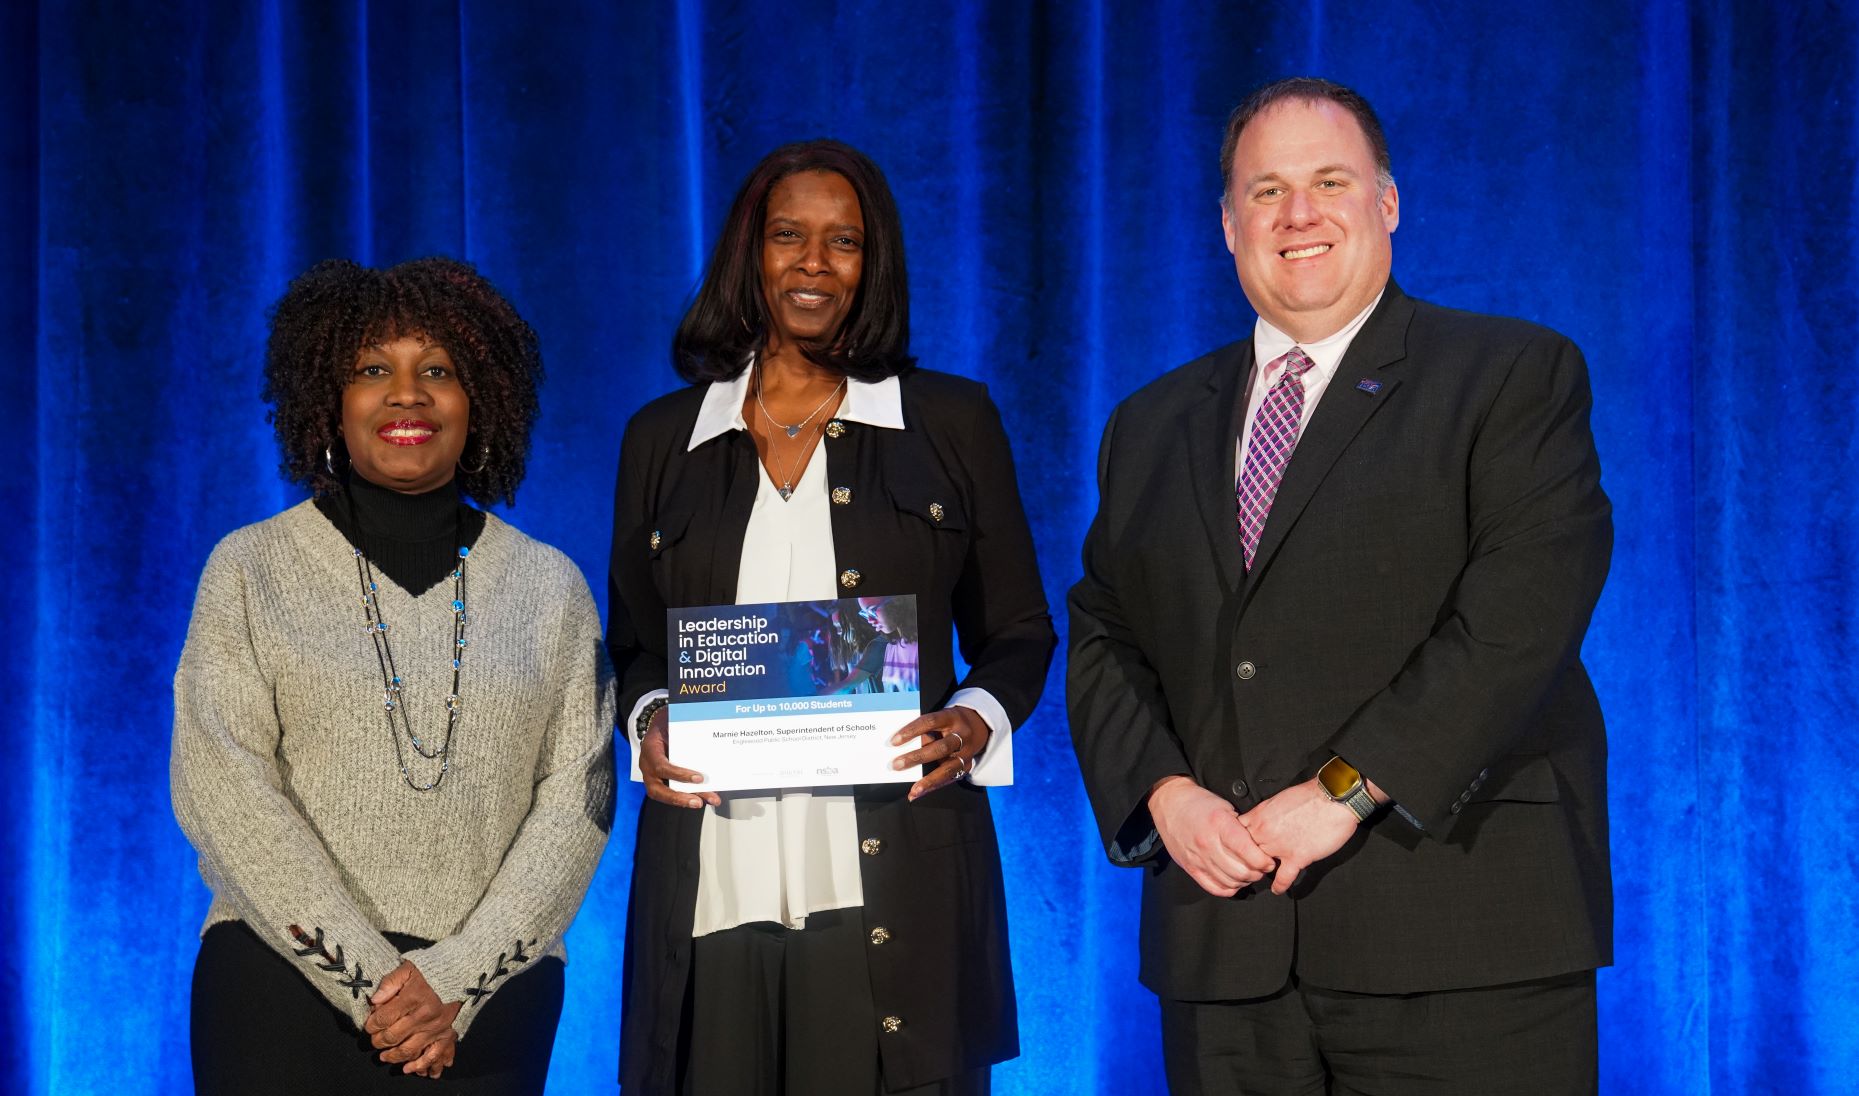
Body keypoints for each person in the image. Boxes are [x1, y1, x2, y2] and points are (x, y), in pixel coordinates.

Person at [1067, 78, 1613, 1094]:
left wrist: (1345, 789)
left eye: (1329, 182)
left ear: (1386, 202)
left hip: (1456, 935)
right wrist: (1161, 793)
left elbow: (1520, 616)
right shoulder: (1148, 423)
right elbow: (1104, 631)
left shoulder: (1509, 374)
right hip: (1225, 952)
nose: (1297, 214)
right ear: (1228, 225)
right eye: (1265, 191)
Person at [609, 139, 1054, 1095]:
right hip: (714, 880)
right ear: (749, 252)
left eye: (843, 241)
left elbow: (1018, 630)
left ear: (872, 262)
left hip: (893, 881)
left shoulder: (949, 422)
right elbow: (636, 647)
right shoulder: (662, 440)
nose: (813, 263)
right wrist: (650, 723)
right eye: (788, 236)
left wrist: (974, 719)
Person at [171, 257, 616, 1094]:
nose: (406, 395)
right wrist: (374, 980)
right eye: (373, 370)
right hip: (278, 994)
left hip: (490, 1007)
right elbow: (222, 790)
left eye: (437, 372)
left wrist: (457, 979)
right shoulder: (250, 568)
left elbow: (578, 801)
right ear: (328, 402)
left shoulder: (551, 586)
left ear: (481, 400)